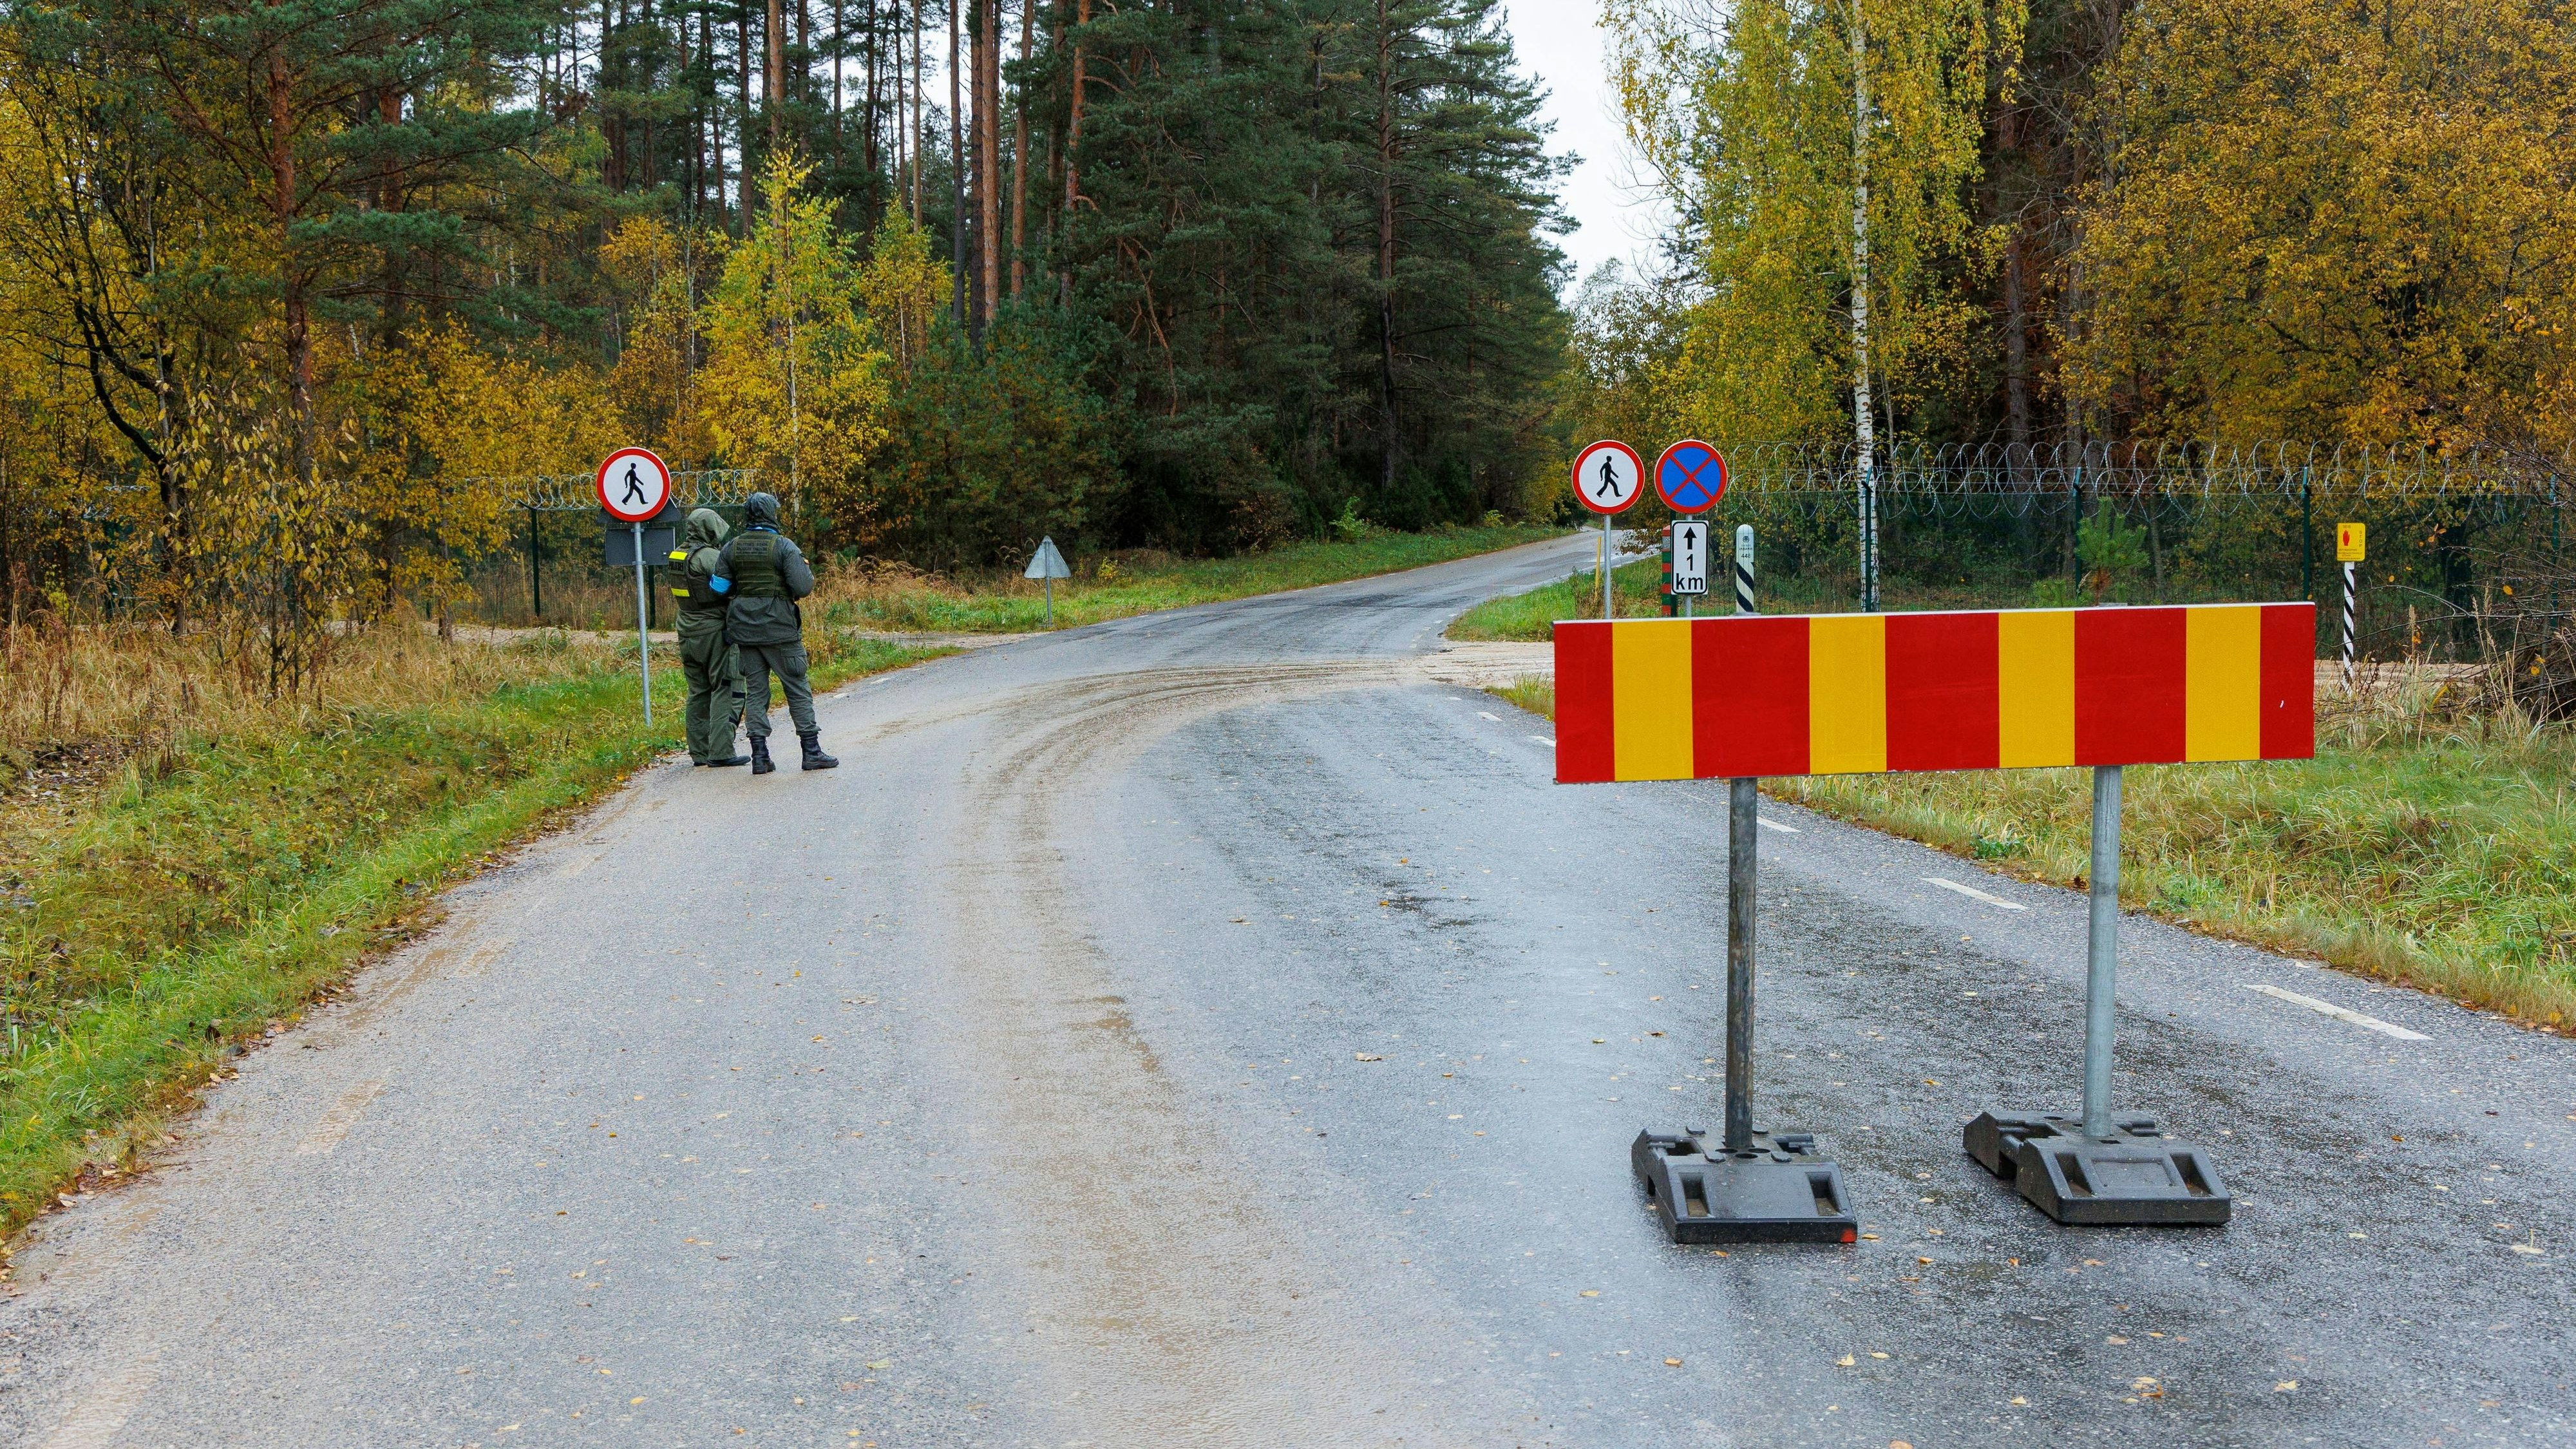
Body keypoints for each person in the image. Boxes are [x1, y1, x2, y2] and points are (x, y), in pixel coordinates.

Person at [709, 491, 838, 774]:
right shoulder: (783, 547)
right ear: (772, 515)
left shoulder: (731, 548)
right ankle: (811, 752)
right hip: (780, 630)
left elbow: (718, 588)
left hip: (744, 630)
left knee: (756, 692)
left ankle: (760, 757)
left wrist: (743, 594)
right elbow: (803, 587)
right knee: (797, 687)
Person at [668, 509, 748, 768]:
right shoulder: (710, 556)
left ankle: (699, 753)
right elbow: (733, 584)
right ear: (709, 529)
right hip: (714, 630)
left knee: (697, 691)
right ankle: (722, 751)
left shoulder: (676, 555)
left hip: (686, 629)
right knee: (726, 685)